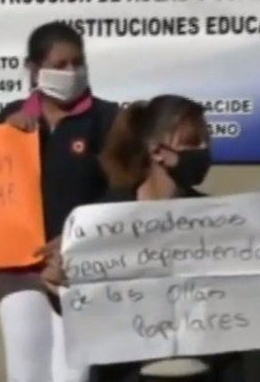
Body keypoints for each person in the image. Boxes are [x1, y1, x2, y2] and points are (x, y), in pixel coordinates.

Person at [45, 95, 245, 382]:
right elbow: (86, 314)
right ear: (157, 151)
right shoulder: (103, 224)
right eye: (193, 141)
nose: (203, 151)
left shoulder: (222, 221)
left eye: (206, 142)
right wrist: (60, 288)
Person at [0, 21, 119, 382]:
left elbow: (119, 193)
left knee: (73, 372)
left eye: (77, 63)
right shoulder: (10, 118)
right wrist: (6, 138)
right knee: (24, 370)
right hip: (17, 268)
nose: (71, 72)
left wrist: (72, 243)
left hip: (79, 266)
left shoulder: (107, 119)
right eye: (60, 64)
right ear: (34, 69)